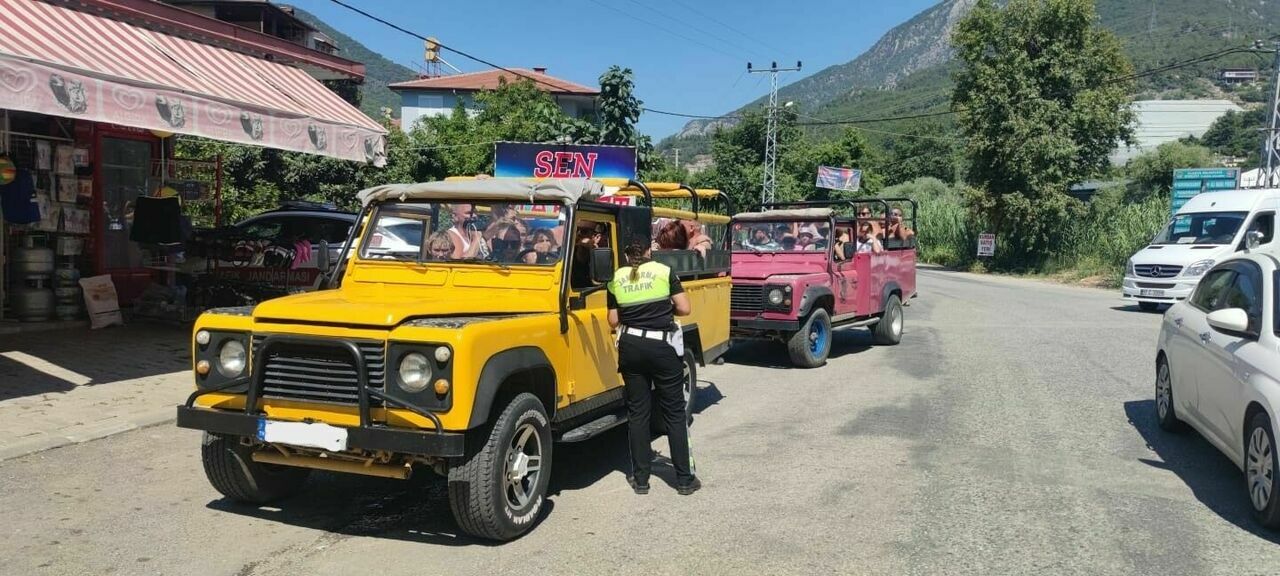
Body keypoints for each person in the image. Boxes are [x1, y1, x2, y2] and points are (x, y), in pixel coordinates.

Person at [607, 241, 700, 496]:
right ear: (649, 251)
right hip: (661, 347)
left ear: (627, 255)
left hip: (630, 347)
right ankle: (684, 479)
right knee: (673, 412)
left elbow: (613, 320)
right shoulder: (664, 271)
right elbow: (684, 308)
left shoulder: (616, 278)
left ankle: (641, 480)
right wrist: (662, 308)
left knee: (638, 413)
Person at [571, 223, 604, 288]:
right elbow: (584, 243)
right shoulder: (570, 249)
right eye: (578, 230)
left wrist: (594, 248)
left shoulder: (597, 251)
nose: (579, 233)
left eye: (584, 231)